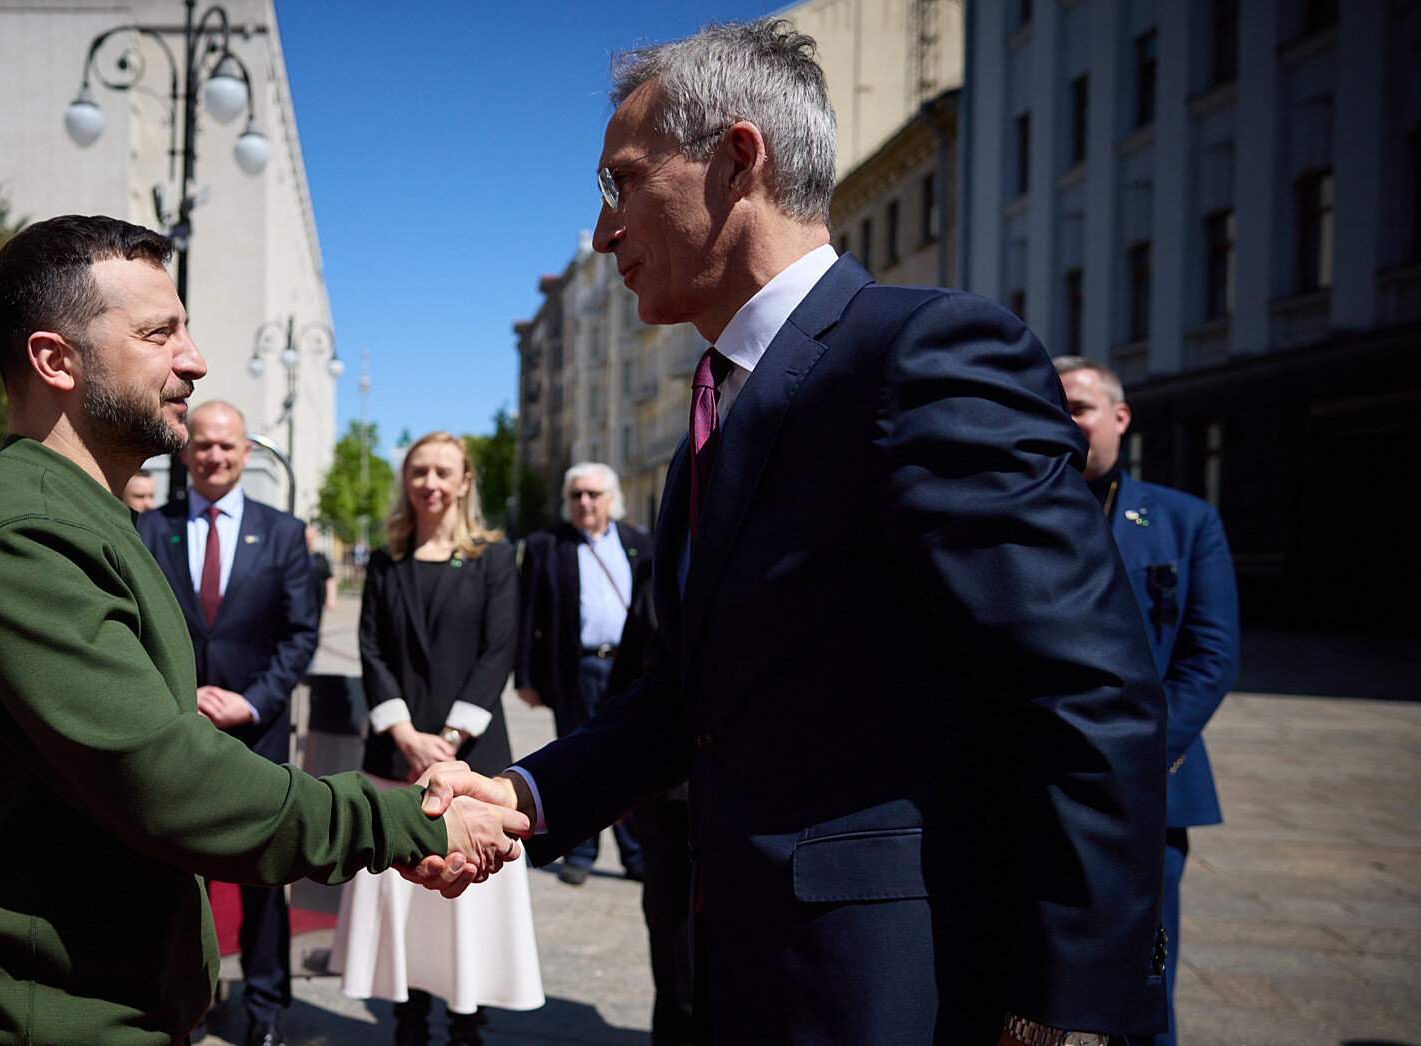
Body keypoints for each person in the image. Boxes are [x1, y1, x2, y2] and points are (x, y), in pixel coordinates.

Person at [418, 20, 1168, 1045]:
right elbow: (686, 697)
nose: (603, 233)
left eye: (620, 184)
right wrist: (521, 788)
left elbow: (1088, 689)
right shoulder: (712, 417)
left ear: (737, 159)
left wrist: (1064, 1012)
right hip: (745, 976)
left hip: (902, 991)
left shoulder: (922, 354)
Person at [0, 215, 524, 1046]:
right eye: (160, 334)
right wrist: (406, 823)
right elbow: (171, 782)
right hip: (54, 1022)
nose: (194, 360)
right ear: (56, 360)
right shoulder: (27, 536)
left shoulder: (81, 514)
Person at [331, 432, 543, 1046]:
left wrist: (446, 739)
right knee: (403, 888)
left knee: (467, 890)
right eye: (419, 471)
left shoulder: (493, 558)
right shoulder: (386, 558)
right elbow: (370, 649)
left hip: (472, 758)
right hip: (396, 753)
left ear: (465, 481)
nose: (430, 483)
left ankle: (467, 1016)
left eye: (443, 472)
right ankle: (408, 1012)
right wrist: (404, 733)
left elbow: (497, 651)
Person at [1056, 357, 1241, 1046]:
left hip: (1149, 794)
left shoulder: (1186, 522)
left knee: (1145, 971)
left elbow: (1210, 659)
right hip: (1039, 785)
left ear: (1120, 418)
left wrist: (1137, 754)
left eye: (1078, 407)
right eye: (1054, 408)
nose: (1066, 423)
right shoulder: (1020, 512)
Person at [135, 400, 320, 1046]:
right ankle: (188, 997)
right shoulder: (149, 530)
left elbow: (299, 636)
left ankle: (265, 1004)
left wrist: (254, 700)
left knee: (265, 876)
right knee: (182, 876)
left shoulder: (284, 534)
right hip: (176, 733)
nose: (214, 457)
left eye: (227, 447)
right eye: (203, 446)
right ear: (186, 453)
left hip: (256, 733)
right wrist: (177, 699)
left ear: (246, 455)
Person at [513, 461, 652, 885]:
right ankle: (581, 852)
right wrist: (525, 676)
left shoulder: (636, 542)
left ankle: (635, 854)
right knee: (577, 759)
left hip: (631, 669)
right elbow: (526, 614)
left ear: (612, 500)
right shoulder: (547, 545)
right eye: (577, 495)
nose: (585, 502)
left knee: (634, 759)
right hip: (576, 670)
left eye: (594, 494)